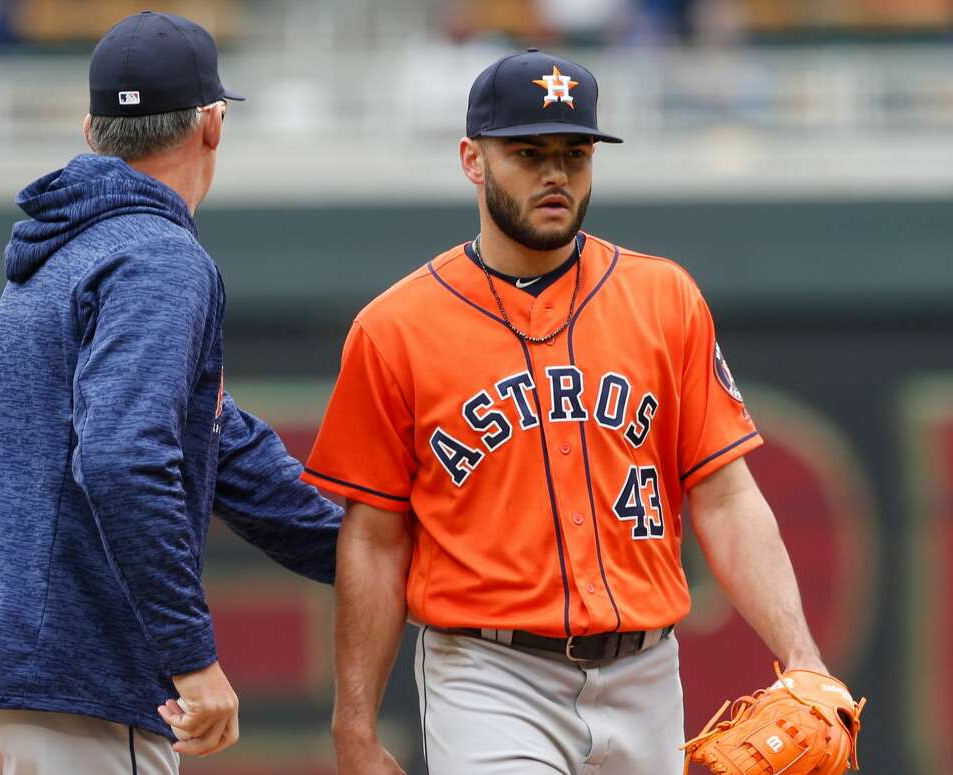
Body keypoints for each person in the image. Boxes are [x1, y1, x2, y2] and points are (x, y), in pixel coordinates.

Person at [302, 49, 844, 774]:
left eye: (574, 152)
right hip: (491, 675)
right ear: (472, 159)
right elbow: (373, 538)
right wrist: (354, 726)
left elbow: (725, 495)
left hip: (646, 671)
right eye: (528, 152)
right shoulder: (394, 328)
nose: (555, 174)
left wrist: (802, 654)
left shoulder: (664, 298)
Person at [0, 12, 342, 775]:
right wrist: (191, 656)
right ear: (212, 124)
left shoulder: (64, 242)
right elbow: (122, 457)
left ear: (92, 128)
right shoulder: (157, 256)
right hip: (69, 688)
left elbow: (222, 445)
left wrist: (378, 556)